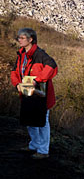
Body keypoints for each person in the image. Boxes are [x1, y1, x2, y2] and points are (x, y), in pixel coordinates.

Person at [10, 28, 57, 159]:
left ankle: (43, 150)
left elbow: (52, 67)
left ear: (30, 39)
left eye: (22, 38)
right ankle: (34, 145)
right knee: (30, 120)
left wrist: (37, 80)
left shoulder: (40, 54)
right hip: (27, 92)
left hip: (41, 94)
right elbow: (14, 72)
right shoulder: (21, 55)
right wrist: (17, 84)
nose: (19, 40)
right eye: (18, 37)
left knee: (42, 121)